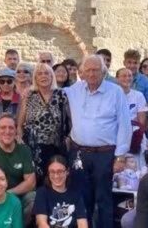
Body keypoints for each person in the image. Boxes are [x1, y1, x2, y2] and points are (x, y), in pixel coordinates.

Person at [64, 54, 131, 228]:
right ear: (82, 73)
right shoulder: (73, 90)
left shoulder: (115, 92)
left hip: (105, 154)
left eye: (96, 70)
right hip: (78, 153)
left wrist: (120, 156)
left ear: (104, 72)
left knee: (104, 199)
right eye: (88, 70)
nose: (92, 74)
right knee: (80, 197)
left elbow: (124, 124)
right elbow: (50, 92)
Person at [17, 62, 69, 183]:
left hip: (55, 146)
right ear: (35, 78)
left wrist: (68, 138)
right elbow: (20, 124)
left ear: (52, 76)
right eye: (39, 73)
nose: (43, 76)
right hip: (33, 147)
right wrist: (20, 140)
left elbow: (69, 120)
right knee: (37, 180)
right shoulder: (29, 95)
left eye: (47, 73)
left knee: (55, 178)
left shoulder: (61, 94)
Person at [33, 155, 88, 228]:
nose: (56, 176)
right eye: (52, 172)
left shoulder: (76, 193)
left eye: (60, 171)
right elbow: (42, 224)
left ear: (67, 172)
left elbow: (82, 224)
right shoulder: (42, 193)